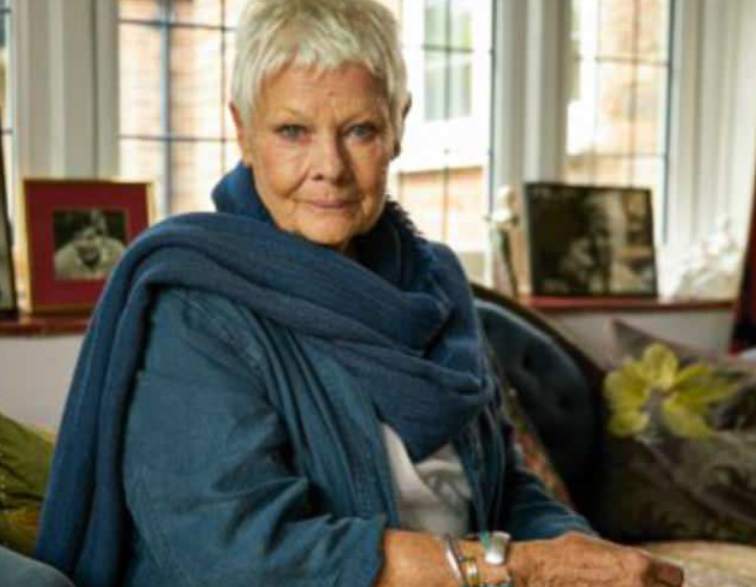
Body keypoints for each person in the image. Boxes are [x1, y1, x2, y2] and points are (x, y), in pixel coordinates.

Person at [35, 1, 685, 586]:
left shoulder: (436, 285)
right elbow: (239, 555)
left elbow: (505, 485)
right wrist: (508, 568)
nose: (330, 167)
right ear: (243, 131)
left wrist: (581, 556)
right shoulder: (194, 306)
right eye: (292, 131)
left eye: (360, 131)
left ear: (399, 126)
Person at [53, 211, 125, 280]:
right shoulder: (60, 263)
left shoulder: (119, 254)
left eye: (90, 238)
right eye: (78, 238)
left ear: (103, 238)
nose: (83, 244)